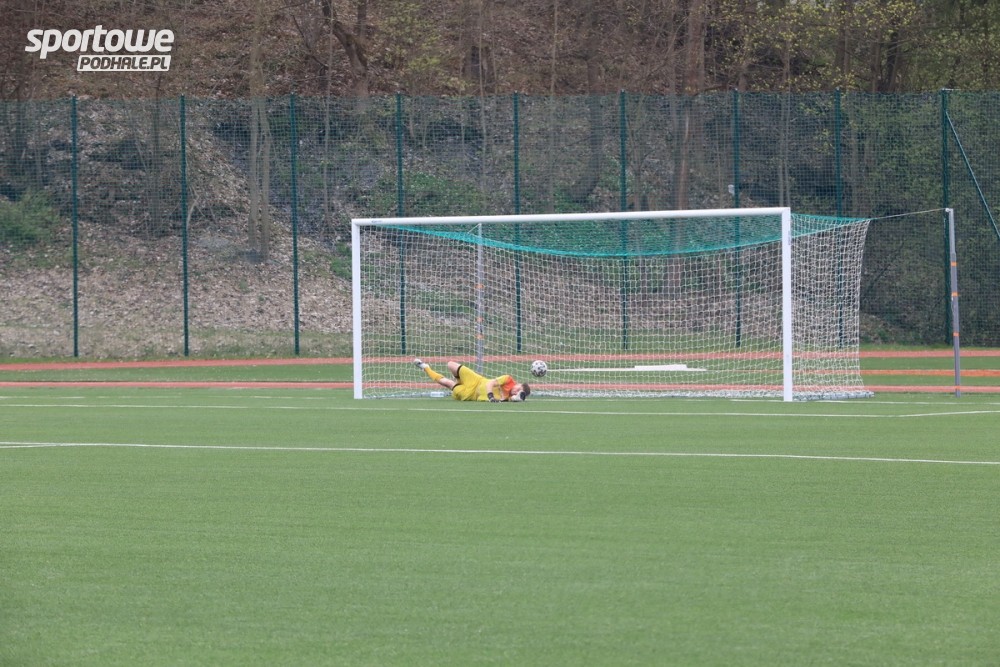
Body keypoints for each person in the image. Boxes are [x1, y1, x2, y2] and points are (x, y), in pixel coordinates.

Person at [414, 359, 531, 402]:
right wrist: (491, 397)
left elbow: (515, 399)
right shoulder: (508, 379)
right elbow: (490, 383)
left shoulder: (509, 398)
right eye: (518, 389)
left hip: (471, 394)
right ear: (518, 384)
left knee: (446, 383)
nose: (516, 391)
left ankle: (426, 367)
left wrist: (518, 397)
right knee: (451, 364)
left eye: (518, 392)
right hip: (477, 380)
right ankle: (459, 379)